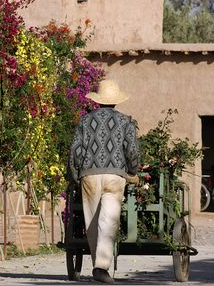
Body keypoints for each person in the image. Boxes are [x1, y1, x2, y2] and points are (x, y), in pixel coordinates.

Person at [67, 79, 140, 284]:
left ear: (97, 101)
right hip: (115, 175)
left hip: (89, 174)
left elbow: (76, 151)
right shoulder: (126, 121)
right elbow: (132, 150)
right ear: (116, 101)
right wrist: (132, 170)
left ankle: (97, 266)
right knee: (108, 221)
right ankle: (101, 267)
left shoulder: (85, 121)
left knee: (92, 221)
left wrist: (75, 175)